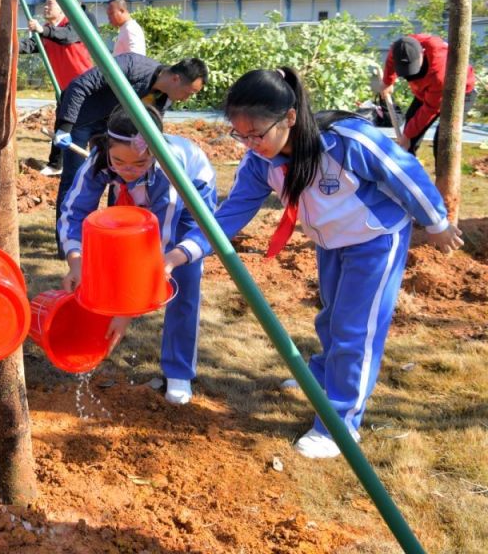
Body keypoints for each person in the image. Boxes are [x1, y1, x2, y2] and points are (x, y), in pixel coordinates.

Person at [163, 67, 463, 459]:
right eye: (241, 135)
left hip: (375, 239)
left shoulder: (345, 142)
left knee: (356, 330)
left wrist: (436, 221)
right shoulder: (260, 163)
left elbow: (403, 172)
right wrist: (179, 253)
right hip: (331, 243)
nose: (251, 143)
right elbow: (227, 216)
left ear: (288, 117)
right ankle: (322, 379)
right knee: (330, 319)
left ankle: (340, 424)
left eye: (257, 134)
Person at [59, 105, 217, 404]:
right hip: (140, 202)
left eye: (138, 163)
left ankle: (179, 371)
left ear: (154, 155)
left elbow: (158, 248)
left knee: (181, 280)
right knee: (115, 255)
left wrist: (126, 312)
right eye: (119, 161)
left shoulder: (171, 171)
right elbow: (74, 212)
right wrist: (76, 261)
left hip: (187, 208)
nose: (127, 170)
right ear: (107, 149)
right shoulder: (100, 160)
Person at [52, 54, 208, 258]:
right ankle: (67, 246)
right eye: (188, 92)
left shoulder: (162, 100)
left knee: (120, 179)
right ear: (176, 79)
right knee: (75, 180)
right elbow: (79, 86)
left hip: (121, 136)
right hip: (84, 120)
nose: (186, 99)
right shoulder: (131, 66)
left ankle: (114, 234)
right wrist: (65, 126)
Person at [20, 0, 94, 176]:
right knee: (61, 124)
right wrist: (9, 44)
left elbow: (67, 37)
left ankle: (91, 164)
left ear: (62, 7)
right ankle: (56, 165)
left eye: (50, 4)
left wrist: (42, 31)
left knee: (85, 127)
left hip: (86, 87)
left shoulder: (76, 22)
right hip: (64, 87)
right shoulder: (48, 29)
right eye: (45, 3)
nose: (45, 7)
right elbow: (31, 45)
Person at [381, 34, 476, 155]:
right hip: (425, 92)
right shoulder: (401, 48)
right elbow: (391, 60)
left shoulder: (439, 73)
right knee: (409, 134)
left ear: (422, 53)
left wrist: (407, 135)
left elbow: (429, 109)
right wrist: (388, 82)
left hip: (459, 93)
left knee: (444, 137)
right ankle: (408, 170)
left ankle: (443, 173)